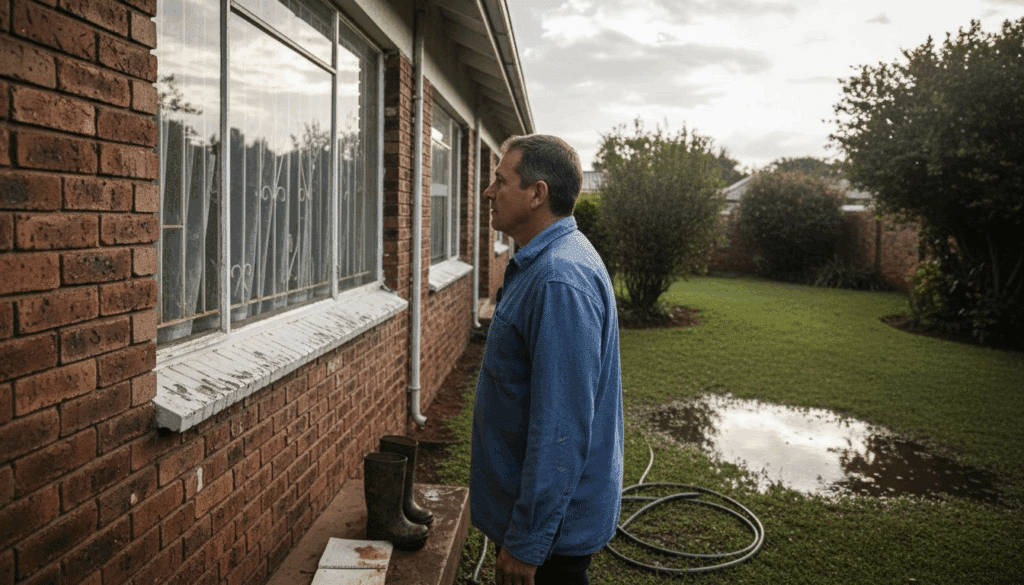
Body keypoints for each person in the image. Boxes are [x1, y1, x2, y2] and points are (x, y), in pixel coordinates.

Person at [470, 135, 624, 585]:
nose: (488, 192)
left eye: (500, 180)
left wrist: (527, 542)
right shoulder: (546, 262)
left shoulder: (559, 278)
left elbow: (561, 428)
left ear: (537, 194)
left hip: (550, 544)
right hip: (545, 530)